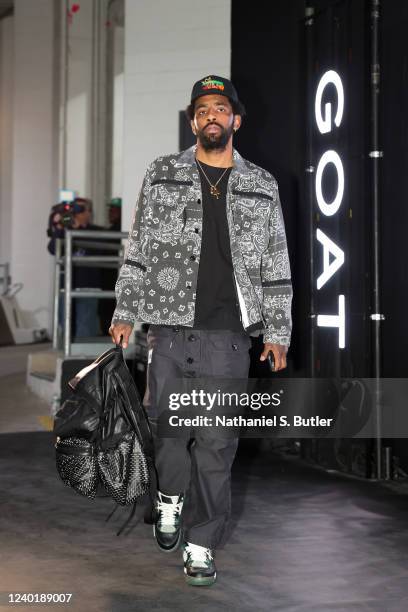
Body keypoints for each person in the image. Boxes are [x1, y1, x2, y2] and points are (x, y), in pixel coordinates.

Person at [109, 75, 293, 586]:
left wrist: (278, 330)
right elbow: (140, 246)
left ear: (236, 119)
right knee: (169, 435)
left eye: (221, 108)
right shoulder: (163, 173)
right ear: (193, 120)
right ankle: (169, 498)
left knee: (216, 445)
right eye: (203, 109)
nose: (212, 116)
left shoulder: (263, 184)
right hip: (169, 330)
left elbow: (276, 262)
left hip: (230, 337)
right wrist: (126, 308)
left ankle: (201, 543)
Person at [48, 198, 103, 338]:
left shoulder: (96, 231)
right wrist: (61, 226)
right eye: (74, 209)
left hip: (87, 285)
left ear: (89, 213)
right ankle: (67, 356)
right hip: (66, 285)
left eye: (80, 209)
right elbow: (53, 249)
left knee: (84, 327)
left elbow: (98, 248)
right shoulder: (65, 228)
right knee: (64, 324)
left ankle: (82, 359)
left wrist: (78, 228)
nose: (76, 213)